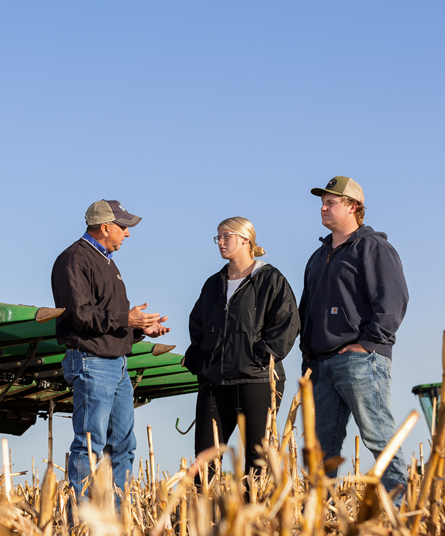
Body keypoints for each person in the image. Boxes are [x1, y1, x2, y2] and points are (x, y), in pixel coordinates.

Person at [51, 199, 170, 499]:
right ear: (105, 227)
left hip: (115, 364)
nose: (127, 234)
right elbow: (78, 315)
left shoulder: (108, 263)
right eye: (123, 227)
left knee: (123, 446)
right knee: (89, 444)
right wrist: (126, 318)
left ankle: (120, 521)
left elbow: (108, 320)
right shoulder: (74, 260)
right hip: (91, 361)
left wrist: (139, 328)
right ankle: (80, 523)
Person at [300, 176, 410, 497]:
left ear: (353, 207)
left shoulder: (373, 247)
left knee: (379, 437)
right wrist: (307, 352)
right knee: (321, 449)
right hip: (320, 365)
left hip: (361, 360)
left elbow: (393, 300)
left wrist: (368, 344)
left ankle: (398, 513)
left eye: (330, 202)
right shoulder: (318, 256)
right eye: (322, 202)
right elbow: (306, 307)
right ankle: (321, 518)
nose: (323, 207)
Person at [185, 217, 299, 479]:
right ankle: (204, 518)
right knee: (205, 455)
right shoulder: (213, 284)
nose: (220, 242)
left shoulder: (270, 279)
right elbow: (198, 325)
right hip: (215, 383)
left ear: (246, 240)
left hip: (257, 379)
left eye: (226, 236)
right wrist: (200, 359)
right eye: (218, 237)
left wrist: (260, 356)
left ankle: (255, 517)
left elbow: (286, 323)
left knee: (258, 458)